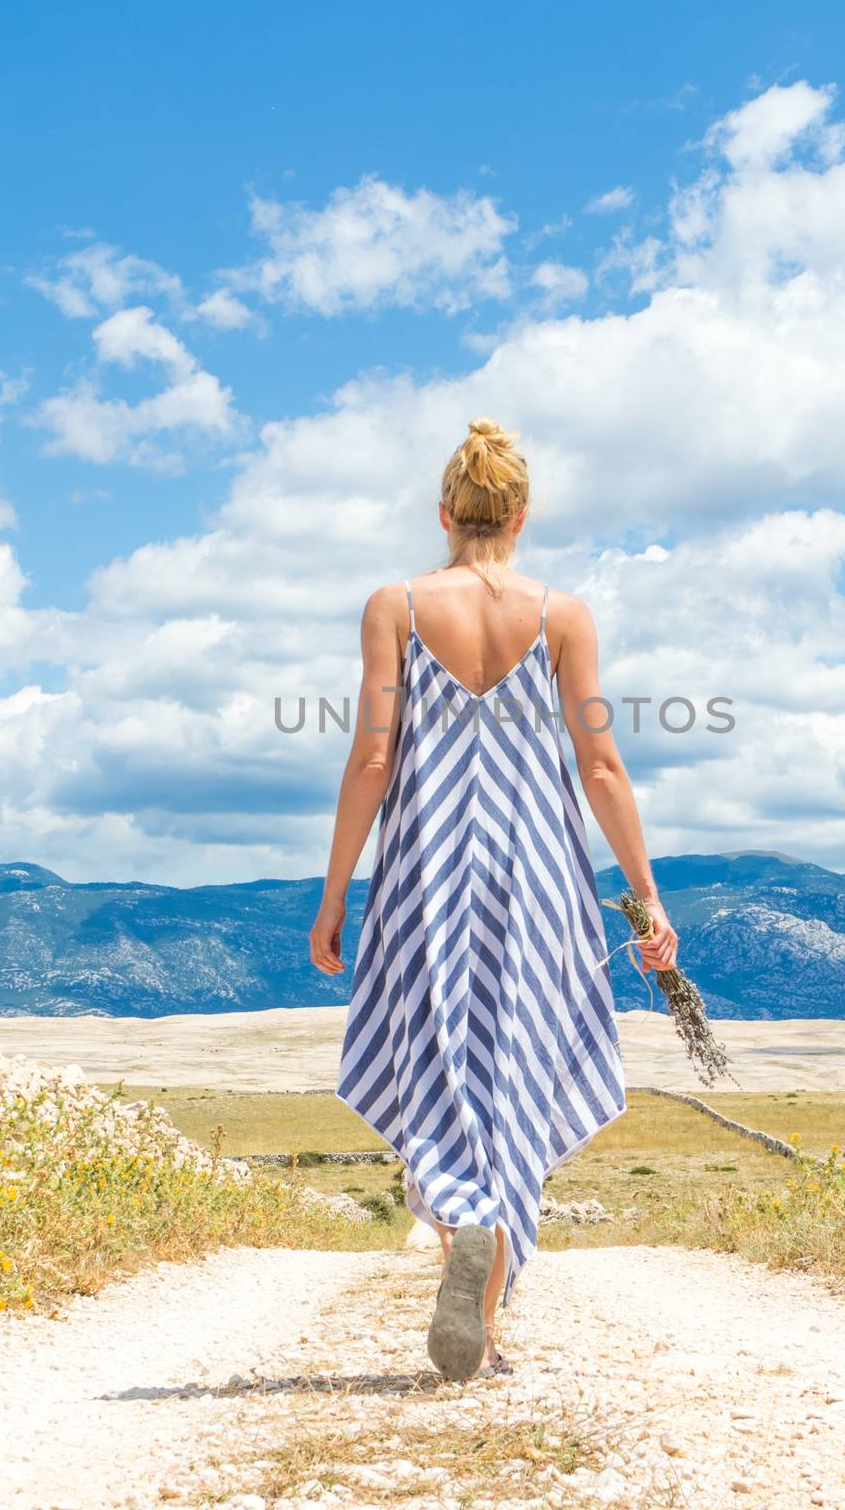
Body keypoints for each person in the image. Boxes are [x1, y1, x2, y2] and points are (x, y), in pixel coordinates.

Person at [309, 417, 678, 1380]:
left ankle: (464, 1224)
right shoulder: (564, 617)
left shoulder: (393, 605)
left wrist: (337, 889)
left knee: (437, 1058)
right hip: (536, 874)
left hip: (427, 869)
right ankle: (487, 1287)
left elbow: (374, 756)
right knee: (515, 1056)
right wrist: (644, 901)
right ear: (522, 513)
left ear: (445, 513)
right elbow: (599, 764)